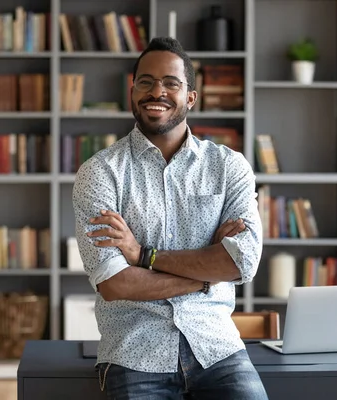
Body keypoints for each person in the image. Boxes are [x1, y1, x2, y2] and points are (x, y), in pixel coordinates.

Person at [72, 36, 267, 399]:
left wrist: (144, 256)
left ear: (190, 97)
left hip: (217, 349)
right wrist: (206, 275)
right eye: (145, 82)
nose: (156, 91)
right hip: (134, 353)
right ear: (132, 92)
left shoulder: (228, 167)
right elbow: (116, 284)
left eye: (170, 83)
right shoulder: (99, 173)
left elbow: (243, 262)